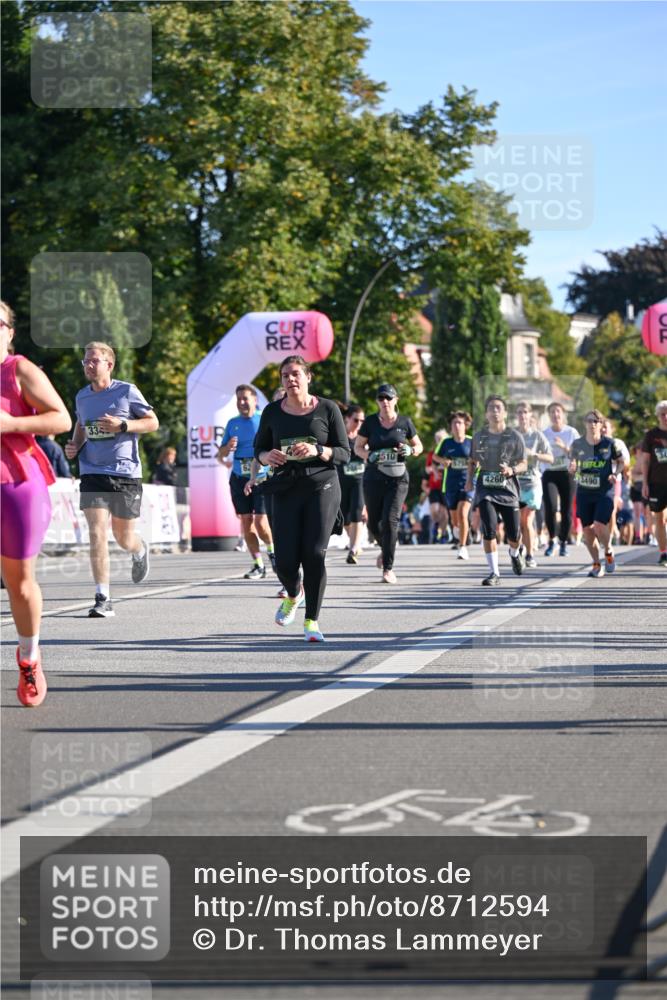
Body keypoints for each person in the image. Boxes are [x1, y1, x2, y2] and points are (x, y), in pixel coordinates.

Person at [1, 300, 72, 706]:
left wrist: (11, 424)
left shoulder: (19, 369)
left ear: (9, 332)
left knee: (20, 584)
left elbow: (60, 419)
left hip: (15, 484)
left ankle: (29, 658)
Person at [253, 355, 349, 642]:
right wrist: (266, 456)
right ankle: (294, 594)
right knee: (284, 561)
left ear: (308, 377)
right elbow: (259, 450)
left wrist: (319, 450)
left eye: (296, 374)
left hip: (322, 486)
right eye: (285, 376)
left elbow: (344, 452)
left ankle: (312, 622)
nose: (290, 380)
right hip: (285, 488)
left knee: (314, 554)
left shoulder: (328, 409)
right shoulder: (272, 412)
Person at [64, 341, 159, 617]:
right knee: (96, 533)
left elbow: (152, 422)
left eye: (94, 360)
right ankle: (102, 596)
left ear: (109, 364)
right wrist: (74, 445)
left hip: (125, 473)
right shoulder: (82, 396)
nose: (89, 365)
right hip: (92, 470)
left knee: (123, 536)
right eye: (86, 361)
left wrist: (124, 425)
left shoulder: (126, 391)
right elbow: (81, 426)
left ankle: (139, 549)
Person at [355, 383, 423, 584]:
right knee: (375, 523)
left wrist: (411, 451)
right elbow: (358, 447)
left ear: (396, 400)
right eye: (381, 398)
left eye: (388, 398)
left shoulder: (405, 422)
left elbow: (418, 445)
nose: (385, 402)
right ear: (377, 401)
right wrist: (370, 455)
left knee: (390, 520)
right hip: (373, 478)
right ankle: (387, 547)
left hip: (398, 478)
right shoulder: (370, 423)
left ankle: (388, 568)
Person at [465, 395, 527, 586]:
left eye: (499, 407)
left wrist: (512, 470)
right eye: (491, 407)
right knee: (489, 530)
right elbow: (473, 461)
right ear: (486, 413)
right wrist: (469, 481)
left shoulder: (515, 436)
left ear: (505, 412)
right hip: (486, 490)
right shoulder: (478, 437)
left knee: (513, 536)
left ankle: (515, 552)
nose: (495, 411)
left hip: (508, 492)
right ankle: (494, 573)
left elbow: (524, 463)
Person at [217, 384, 274, 579]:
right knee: (246, 522)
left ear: (255, 400)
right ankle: (258, 564)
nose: (242, 402)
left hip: (262, 477)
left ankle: (273, 552)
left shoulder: (264, 420)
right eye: (239, 399)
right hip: (239, 477)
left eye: (245, 398)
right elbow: (220, 455)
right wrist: (228, 448)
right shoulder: (233, 423)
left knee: (260, 522)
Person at [569, 409, 626, 578]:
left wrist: (615, 474)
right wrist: (572, 468)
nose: (592, 424)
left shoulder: (610, 443)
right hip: (584, 492)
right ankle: (596, 563)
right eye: (589, 421)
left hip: (604, 492)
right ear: (584, 424)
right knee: (587, 530)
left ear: (601, 425)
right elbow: (572, 462)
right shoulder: (577, 445)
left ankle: (608, 550)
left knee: (600, 526)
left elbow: (621, 462)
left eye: (596, 421)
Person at [515, 402, 553, 568]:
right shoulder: (512, 435)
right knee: (518, 522)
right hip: (515, 482)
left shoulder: (537, 436)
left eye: (525, 412)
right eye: (519, 413)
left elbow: (551, 458)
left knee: (527, 518)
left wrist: (535, 454)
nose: (522, 415)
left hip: (532, 481)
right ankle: (523, 548)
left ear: (530, 415)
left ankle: (530, 555)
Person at [434, 411, 474, 560]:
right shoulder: (446, 443)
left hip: (468, 483)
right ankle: (461, 532)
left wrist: (474, 465)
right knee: (455, 520)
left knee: (463, 513)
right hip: (450, 484)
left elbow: (480, 459)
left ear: (466, 425)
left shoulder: (472, 441)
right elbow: (435, 457)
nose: (457, 426)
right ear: (450, 427)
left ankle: (462, 547)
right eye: (454, 423)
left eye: (460, 423)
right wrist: (442, 461)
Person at [541, 402, 579, 557]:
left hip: (567, 473)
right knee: (550, 507)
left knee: (567, 510)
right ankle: (552, 540)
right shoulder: (544, 434)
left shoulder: (571, 432)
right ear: (549, 415)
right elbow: (539, 454)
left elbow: (578, 454)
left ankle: (563, 542)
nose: (555, 415)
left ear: (563, 414)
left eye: (558, 411)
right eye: (552, 412)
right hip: (550, 473)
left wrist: (564, 447)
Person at [337, 404, 366, 565]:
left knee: (356, 513)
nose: (359, 423)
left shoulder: (364, 437)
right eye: (356, 420)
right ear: (347, 419)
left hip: (360, 480)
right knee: (345, 519)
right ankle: (355, 542)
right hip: (342, 480)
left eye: (362, 420)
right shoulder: (339, 436)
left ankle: (354, 548)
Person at [640, 400, 667, 567]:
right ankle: (663, 553)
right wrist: (644, 483)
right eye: (662, 414)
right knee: (659, 519)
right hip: (656, 483)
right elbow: (645, 461)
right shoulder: (651, 435)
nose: (665, 417)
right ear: (658, 416)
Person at [425, 429, 448, 543]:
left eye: (441, 439)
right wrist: (434, 470)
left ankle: (443, 534)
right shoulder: (432, 454)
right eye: (437, 439)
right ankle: (436, 527)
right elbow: (427, 468)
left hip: (446, 486)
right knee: (434, 510)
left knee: (444, 513)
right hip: (434, 486)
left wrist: (441, 468)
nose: (439, 441)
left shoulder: (449, 452)